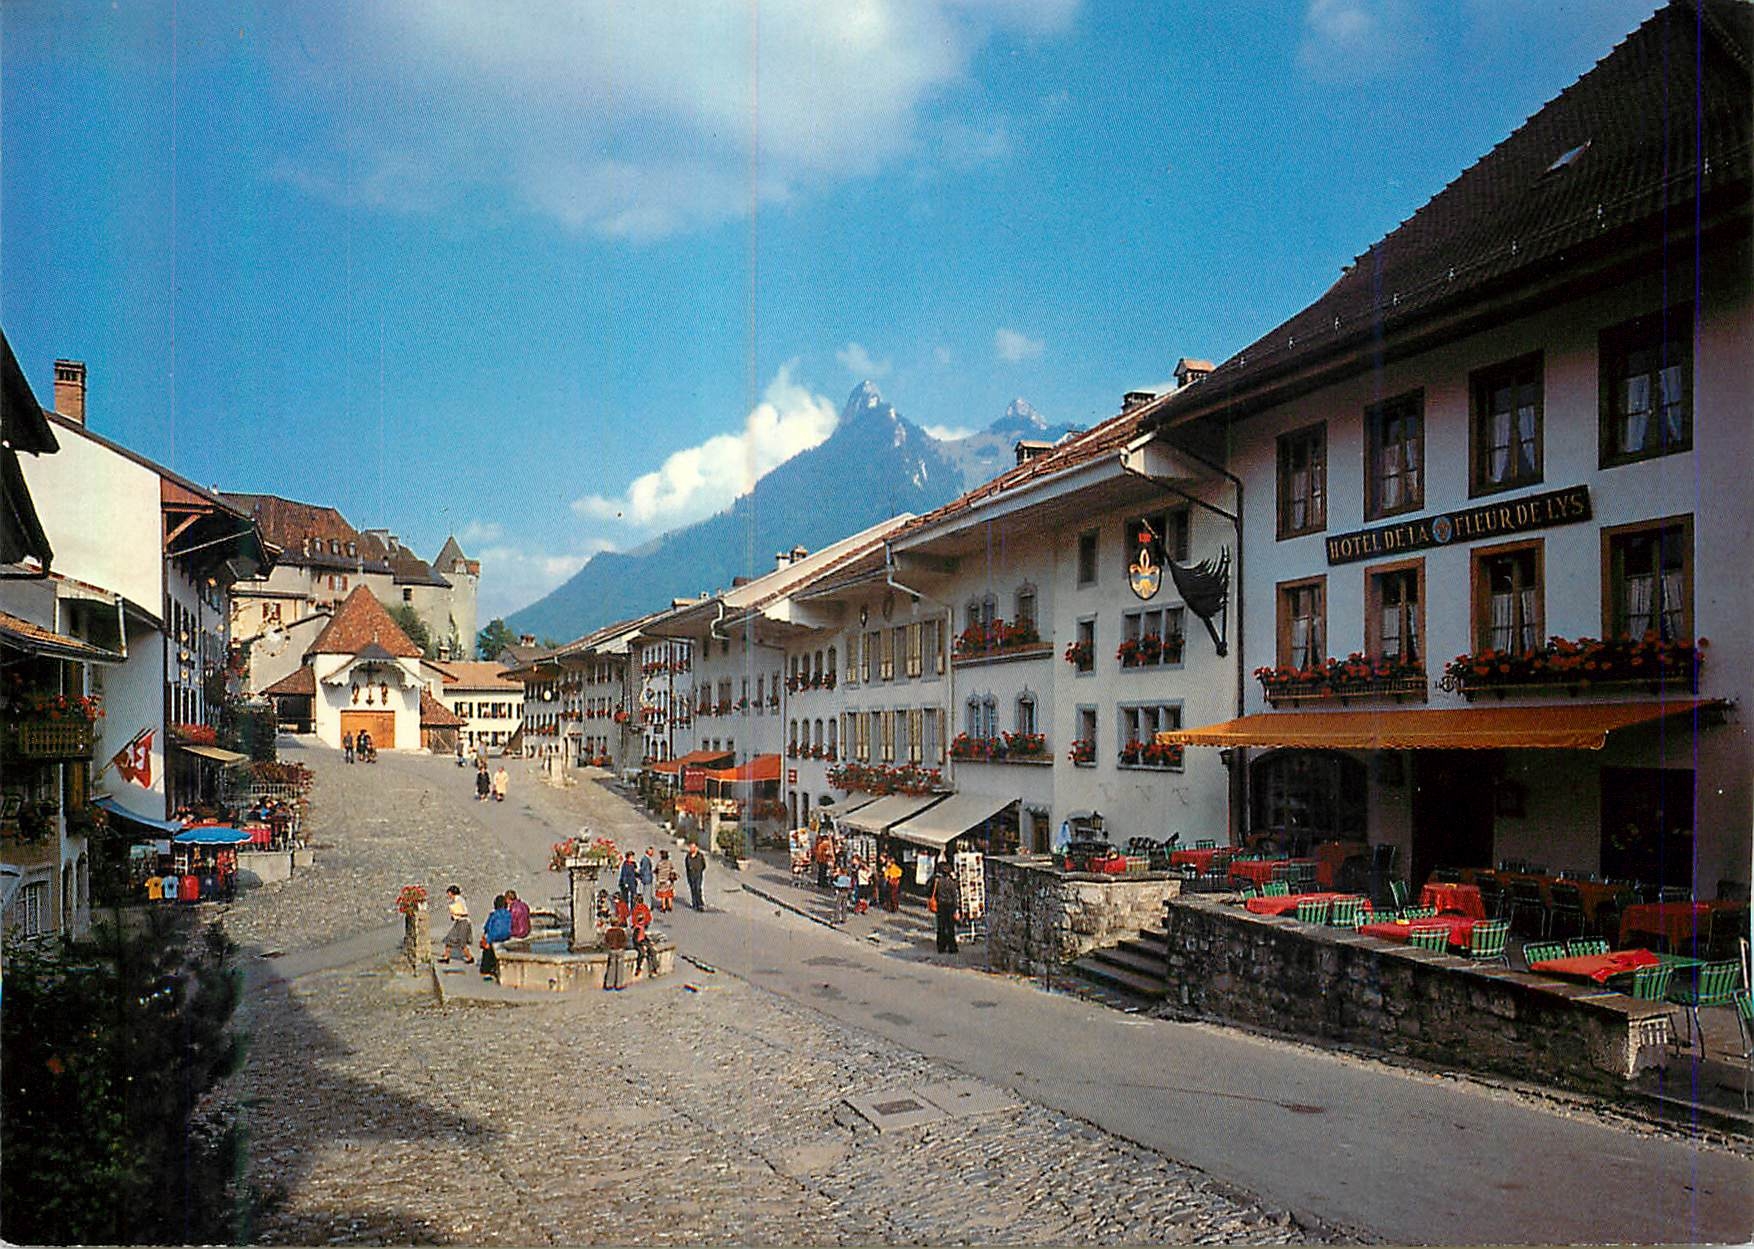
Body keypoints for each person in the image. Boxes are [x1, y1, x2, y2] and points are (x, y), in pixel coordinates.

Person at [480, 895, 512, 980]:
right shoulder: (509, 914)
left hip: (494, 936)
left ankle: (486, 969)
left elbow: (487, 927)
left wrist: (486, 936)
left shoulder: (493, 915)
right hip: (506, 936)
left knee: (487, 948)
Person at [932, 859, 960, 954]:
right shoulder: (951, 883)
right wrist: (956, 909)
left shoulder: (938, 882)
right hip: (949, 906)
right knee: (950, 927)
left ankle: (941, 947)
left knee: (941, 927)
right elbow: (954, 897)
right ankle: (952, 947)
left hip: (941, 906)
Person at [440, 885, 474, 965]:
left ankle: (470, 957)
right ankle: (446, 957)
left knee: (461, 943)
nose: (448, 895)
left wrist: (455, 914)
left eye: (449, 893)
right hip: (460, 922)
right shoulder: (458, 900)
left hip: (463, 923)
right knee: (449, 938)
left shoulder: (459, 900)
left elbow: (463, 912)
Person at [630, 899, 659, 978]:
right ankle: (638, 968)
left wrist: (648, 941)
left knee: (652, 950)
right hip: (639, 943)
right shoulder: (637, 928)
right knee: (642, 953)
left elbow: (643, 936)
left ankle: (655, 967)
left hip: (643, 940)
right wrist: (641, 944)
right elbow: (636, 939)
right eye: (641, 920)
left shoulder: (641, 926)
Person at [684, 841, 707, 912]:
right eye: (691, 847)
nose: (691, 849)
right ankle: (694, 903)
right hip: (691, 875)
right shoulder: (688, 856)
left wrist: (699, 870)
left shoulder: (700, 856)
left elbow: (704, 865)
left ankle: (700, 904)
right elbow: (687, 866)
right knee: (693, 888)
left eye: (693, 847)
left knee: (698, 888)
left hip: (698, 874)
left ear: (696, 848)